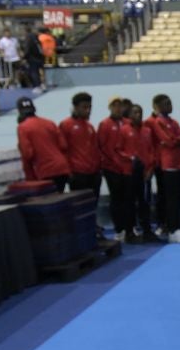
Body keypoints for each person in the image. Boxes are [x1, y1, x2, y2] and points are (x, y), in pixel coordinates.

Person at [148, 93, 180, 243]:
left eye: (170, 103)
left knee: (178, 198)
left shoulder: (173, 121)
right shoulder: (158, 122)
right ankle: (172, 230)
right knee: (171, 199)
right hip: (167, 164)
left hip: (178, 162)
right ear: (158, 107)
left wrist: (177, 140)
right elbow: (168, 141)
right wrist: (177, 140)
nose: (170, 106)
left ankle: (178, 226)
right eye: (166, 104)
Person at [16, 96, 70, 192]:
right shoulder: (50, 123)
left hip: (45, 170)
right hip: (62, 168)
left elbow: (28, 154)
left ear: (19, 111)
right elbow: (63, 145)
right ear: (34, 109)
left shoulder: (22, 127)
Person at [99, 96, 135, 241]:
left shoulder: (128, 123)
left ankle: (130, 228)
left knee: (129, 199)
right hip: (112, 168)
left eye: (120, 105)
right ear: (110, 107)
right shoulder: (105, 124)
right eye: (115, 106)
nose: (118, 108)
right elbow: (102, 146)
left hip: (127, 168)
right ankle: (119, 229)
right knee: (117, 199)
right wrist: (111, 163)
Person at [122, 103, 157, 242]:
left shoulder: (147, 131)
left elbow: (152, 150)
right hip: (130, 173)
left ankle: (147, 231)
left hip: (145, 173)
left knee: (145, 202)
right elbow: (118, 150)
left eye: (140, 112)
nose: (138, 115)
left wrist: (150, 168)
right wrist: (129, 160)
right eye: (135, 112)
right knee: (130, 203)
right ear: (130, 115)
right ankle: (129, 233)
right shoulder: (123, 130)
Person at [61, 92, 102, 202]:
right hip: (77, 174)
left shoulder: (90, 127)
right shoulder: (65, 125)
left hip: (94, 174)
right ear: (75, 107)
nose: (88, 110)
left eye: (90, 107)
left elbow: (95, 149)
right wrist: (68, 172)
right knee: (81, 207)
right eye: (84, 107)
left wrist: (98, 170)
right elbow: (62, 150)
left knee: (93, 205)